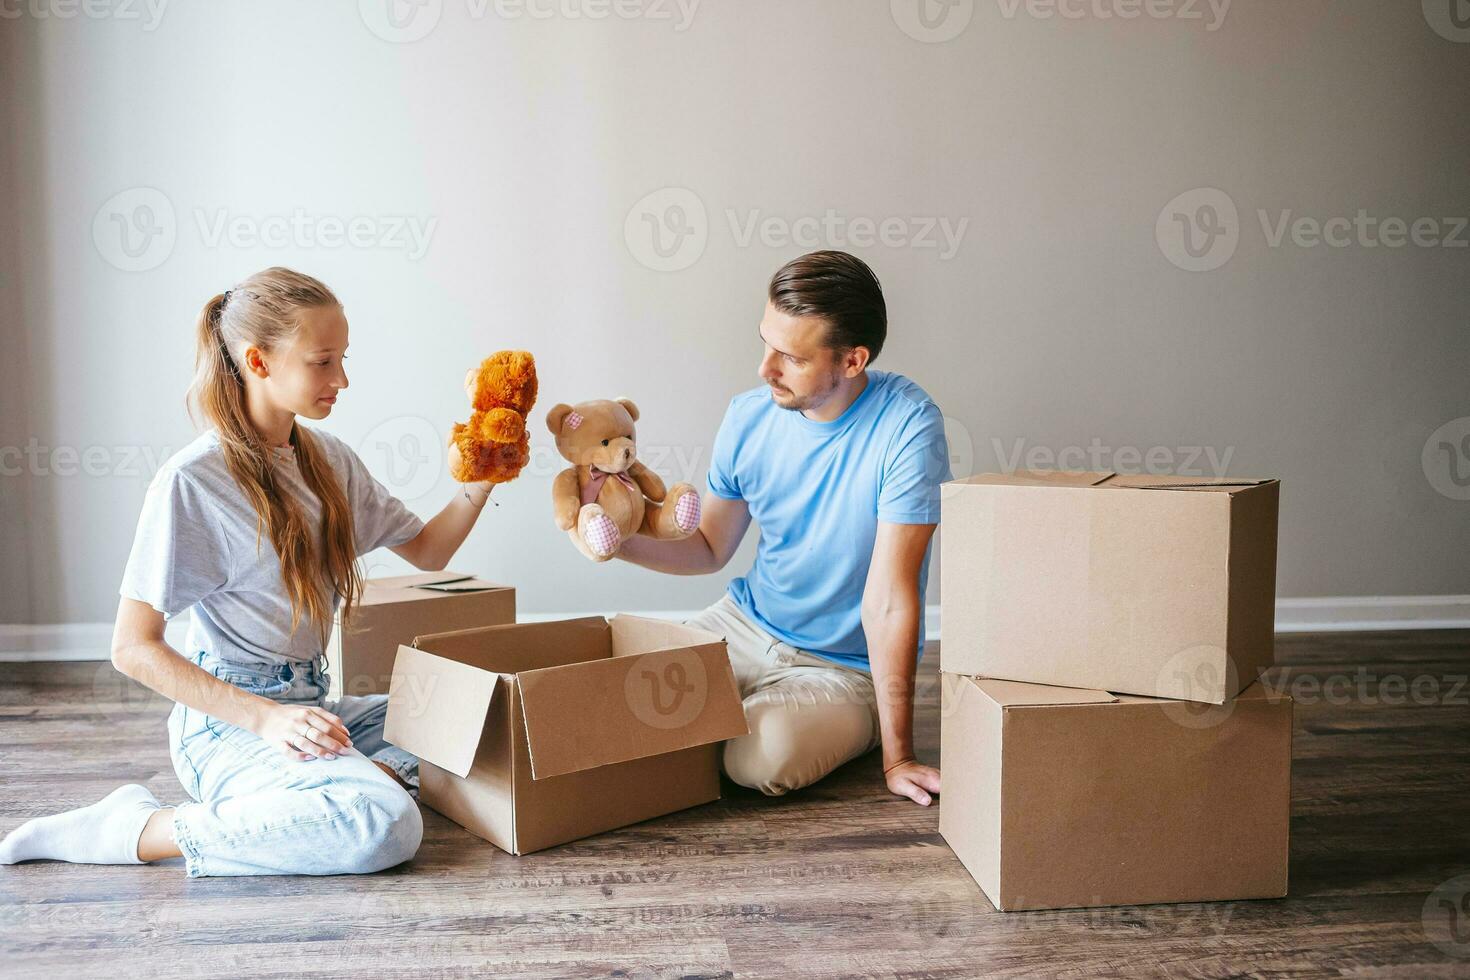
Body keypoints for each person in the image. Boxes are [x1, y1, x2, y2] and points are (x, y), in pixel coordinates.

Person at [0, 267, 497, 876]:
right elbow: (132, 648)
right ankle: (139, 828)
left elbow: (427, 552)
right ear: (258, 362)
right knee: (384, 826)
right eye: (323, 361)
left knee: (474, 726)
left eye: (343, 359)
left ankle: (316, 792)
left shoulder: (330, 460)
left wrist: (485, 476)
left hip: (311, 702)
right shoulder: (194, 482)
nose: (342, 379)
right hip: (228, 723)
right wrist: (267, 718)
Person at [617, 251, 951, 805]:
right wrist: (617, 541)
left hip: (845, 667)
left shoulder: (909, 426)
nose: (764, 369)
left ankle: (822, 726)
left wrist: (900, 757)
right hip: (746, 623)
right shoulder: (748, 416)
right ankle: (721, 715)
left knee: (758, 758)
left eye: (791, 357)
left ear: (851, 361)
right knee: (614, 694)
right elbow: (708, 549)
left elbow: (890, 600)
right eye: (765, 342)